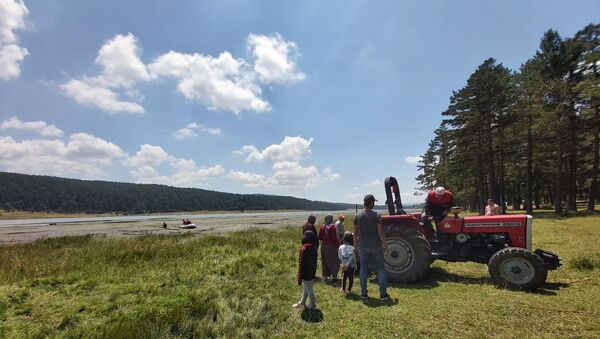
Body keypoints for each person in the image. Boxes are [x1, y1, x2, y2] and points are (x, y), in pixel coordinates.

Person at [353, 194, 390, 301]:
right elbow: (381, 233)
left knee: (363, 269)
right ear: (372, 203)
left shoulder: (357, 216)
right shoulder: (377, 215)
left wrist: (356, 248)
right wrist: (386, 247)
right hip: (376, 247)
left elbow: (355, 234)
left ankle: (364, 293)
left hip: (363, 247)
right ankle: (383, 294)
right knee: (381, 269)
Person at [293, 230, 318, 309]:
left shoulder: (304, 248)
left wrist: (300, 276)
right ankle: (302, 302)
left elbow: (301, 263)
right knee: (306, 288)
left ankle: (313, 305)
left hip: (305, 272)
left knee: (309, 290)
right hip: (312, 271)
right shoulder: (313, 248)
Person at [318, 214, 340, 282]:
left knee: (324, 261)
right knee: (335, 261)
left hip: (324, 246)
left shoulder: (322, 227)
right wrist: (338, 245)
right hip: (332, 246)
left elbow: (320, 237)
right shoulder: (333, 227)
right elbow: (334, 238)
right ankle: (334, 276)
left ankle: (325, 276)